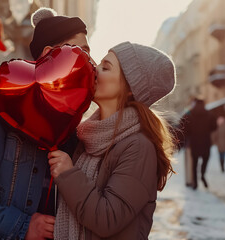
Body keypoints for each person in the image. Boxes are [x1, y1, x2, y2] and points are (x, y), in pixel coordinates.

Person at [0, 7, 91, 240]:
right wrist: (23, 226)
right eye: (82, 51)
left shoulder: (69, 116)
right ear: (50, 54)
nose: (90, 61)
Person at [48, 42, 176, 239]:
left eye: (105, 67)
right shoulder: (88, 136)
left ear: (130, 87)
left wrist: (68, 174)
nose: (94, 69)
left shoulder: (138, 147)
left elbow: (108, 219)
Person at [182, 98, 217, 189]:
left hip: (194, 143)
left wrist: (189, 135)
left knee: (194, 163)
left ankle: (195, 183)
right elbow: (214, 126)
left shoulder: (190, 114)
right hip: (206, 142)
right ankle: (202, 174)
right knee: (205, 160)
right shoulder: (209, 114)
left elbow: (183, 125)